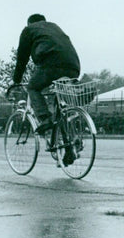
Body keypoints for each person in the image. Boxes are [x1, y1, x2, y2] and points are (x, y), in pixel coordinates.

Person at [12, 14, 80, 164]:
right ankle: (70, 147)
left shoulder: (28, 30)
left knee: (33, 87)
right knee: (60, 105)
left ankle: (44, 118)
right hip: (73, 67)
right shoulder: (54, 26)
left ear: (30, 23)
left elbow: (22, 57)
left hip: (51, 65)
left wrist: (16, 80)